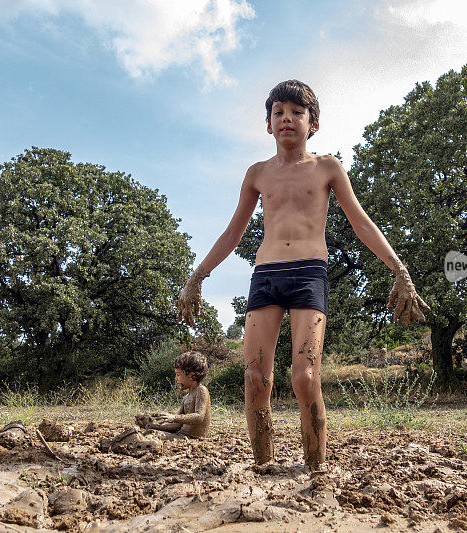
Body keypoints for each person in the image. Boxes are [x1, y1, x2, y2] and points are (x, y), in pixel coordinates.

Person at [176, 80, 429, 468]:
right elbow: (233, 232)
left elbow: (361, 222)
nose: (287, 119)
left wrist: (401, 271)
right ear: (268, 124)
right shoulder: (257, 173)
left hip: (310, 274)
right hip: (266, 276)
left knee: (305, 376)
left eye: (297, 112)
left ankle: (316, 469)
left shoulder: (327, 167)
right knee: (256, 377)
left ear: (313, 123)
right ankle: (263, 465)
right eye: (278, 112)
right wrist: (197, 278)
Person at [145, 351, 211, 439]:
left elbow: (199, 417)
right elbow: (176, 425)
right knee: (149, 432)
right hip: (181, 435)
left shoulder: (201, 390)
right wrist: (152, 426)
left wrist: (174, 417)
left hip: (192, 438)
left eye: (178, 375)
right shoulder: (186, 397)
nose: (176, 378)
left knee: (152, 436)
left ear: (191, 376)